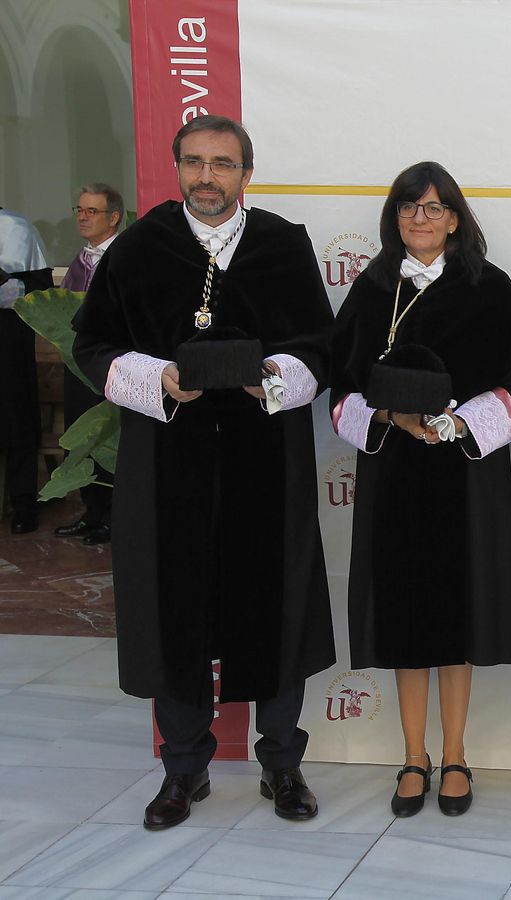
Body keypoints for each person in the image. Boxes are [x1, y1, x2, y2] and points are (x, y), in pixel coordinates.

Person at [71, 115, 336, 829]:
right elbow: (92, 345)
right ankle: (183, 769)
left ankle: (281, 762)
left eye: (222, 163)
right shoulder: (139, 248)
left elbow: (321, 344)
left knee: (274, 603)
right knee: (174, 607)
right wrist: (157, 379)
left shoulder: (282, 244)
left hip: (265, 459)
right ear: (177, 167)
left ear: (246, 173)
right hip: (168, 463)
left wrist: (271, 377)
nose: (207, 177)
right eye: (194, 162)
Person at [329, 161, 511, 817]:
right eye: (409, 207)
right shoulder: (372, 288)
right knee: (405, 617)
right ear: (395, 217)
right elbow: (341, 385)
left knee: (456, 615)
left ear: (455, 219)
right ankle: (414, 756)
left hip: (463, 474)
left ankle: (456, 755)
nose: (421, 218)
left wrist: (458, 424)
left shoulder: (488, 288)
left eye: (434, 207)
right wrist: (388, 416)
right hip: (395, 475)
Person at [56, 182, 125, 544]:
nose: (82, 217)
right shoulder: (81, 259)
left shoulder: (125, 256)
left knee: (108, 436)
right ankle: (92, 511)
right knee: (82, 435)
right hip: (78, 363)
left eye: (92, 211)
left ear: (113, 218)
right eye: (79, 210)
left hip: (111, 363)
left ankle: (113, 516)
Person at [0, 204, 49, 534]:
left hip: (7, 343)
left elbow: (40, 284)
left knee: (16, 419)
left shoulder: (15, 226)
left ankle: (24, 505)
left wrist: (10, 287)